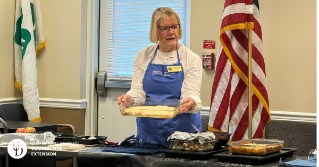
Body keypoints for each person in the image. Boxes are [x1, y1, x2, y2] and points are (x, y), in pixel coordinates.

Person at [117, 7, 203, 145]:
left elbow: (191, 93)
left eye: (174, 27)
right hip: (149, 132)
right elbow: (138, 92)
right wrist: (129, 98)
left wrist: (190, 102)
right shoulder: (143, 56)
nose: (171, 32)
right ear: (155, 31)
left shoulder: (190, 58)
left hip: (182, 133)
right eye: (165, 28)